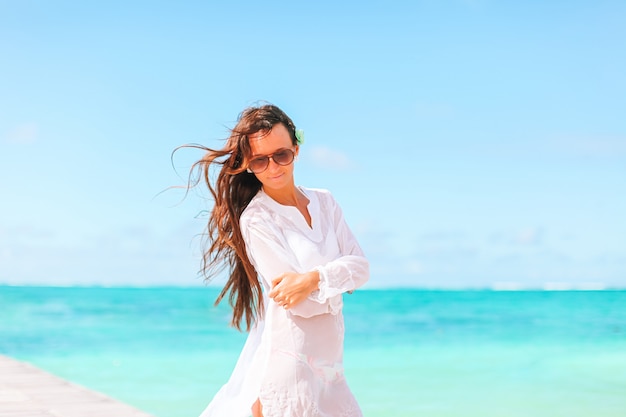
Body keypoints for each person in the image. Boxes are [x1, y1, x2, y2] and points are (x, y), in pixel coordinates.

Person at [185, 104, 369, 417]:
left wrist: (312, 280)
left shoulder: (325, 202)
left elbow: (361, 267)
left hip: (331, 370)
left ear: (296, 149)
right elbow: (300, 304)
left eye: (281, 155)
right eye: (260, 160)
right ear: (248, 166)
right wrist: (338, 282)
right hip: (290, 367)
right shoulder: (256, 219)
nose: (273, 167)